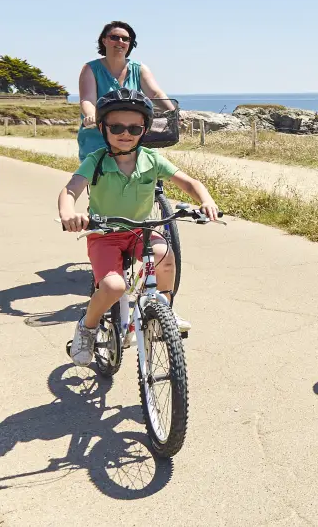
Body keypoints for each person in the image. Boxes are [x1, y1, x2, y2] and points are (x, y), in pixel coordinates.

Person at [58, 89, 219, 367]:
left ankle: (163, 311)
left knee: (165, 257)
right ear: (102, 128)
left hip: (141, 232)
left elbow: (189, 183)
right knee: (113, 286)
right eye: (116, 127)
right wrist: (68, 213)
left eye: (134, 128)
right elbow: (70, 190)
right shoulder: (95, 160)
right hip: (104, 235)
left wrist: (205, 201)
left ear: (144, 130)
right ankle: (88, 326)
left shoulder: (151, 159)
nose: (125, 133)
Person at [78, 21, 170, 161]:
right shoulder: (91, 69)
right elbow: (88, 99)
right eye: (114, 37)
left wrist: (173, 111)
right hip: (101, 135)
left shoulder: (139, 69)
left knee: (149, 167)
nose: (120, 41)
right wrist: (91, 115)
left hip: (132, 134)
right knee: (99, 174)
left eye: (125, 39)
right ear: (104, 40)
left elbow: (155, 94)